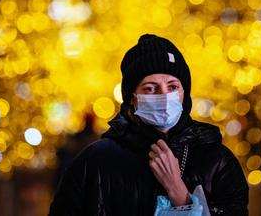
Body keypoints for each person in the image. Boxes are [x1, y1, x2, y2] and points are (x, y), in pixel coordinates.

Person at [49, 34, 249, 215]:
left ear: (184, 93)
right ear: (132, 98)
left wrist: (179, 193)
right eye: (151, 88)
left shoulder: (217, 160)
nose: (164, 95)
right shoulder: (94, 161)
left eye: (172, 86)